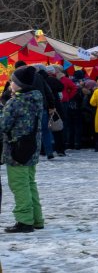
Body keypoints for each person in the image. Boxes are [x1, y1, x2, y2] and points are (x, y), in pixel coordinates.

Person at [0, 66, 45, 233]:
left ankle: (24, 221)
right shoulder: (36, 98)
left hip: (16, 149)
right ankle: (36, 219)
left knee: (19, 186)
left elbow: (3, 125)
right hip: (32, 147)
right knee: (30, 183)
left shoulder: (16, 102)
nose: (10, 83)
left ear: (19, 85)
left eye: (13, 81)